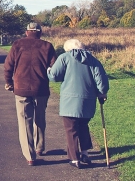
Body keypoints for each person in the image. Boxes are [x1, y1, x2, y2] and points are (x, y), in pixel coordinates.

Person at [47, 39, 109, 169]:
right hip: (88, 101)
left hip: (69, 101)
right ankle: (85, 153)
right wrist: (102, 93)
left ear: (67, 48)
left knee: (71, 129)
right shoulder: (93, 60)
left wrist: (48, 70)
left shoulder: (64, 58)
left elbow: (54, 76)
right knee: (83, 126)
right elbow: (101, 80)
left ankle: (74, 158)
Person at [4, 22, 57, 166]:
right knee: (40, 118)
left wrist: (8, 82)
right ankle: (39, 147)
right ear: (39, 32)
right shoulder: (47, 46)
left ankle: (30, 156)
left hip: (21, 88)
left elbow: (8, 65)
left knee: (24, 121)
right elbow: (55, 67)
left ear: (27, 32)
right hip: (41, 89)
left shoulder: (17, 44)